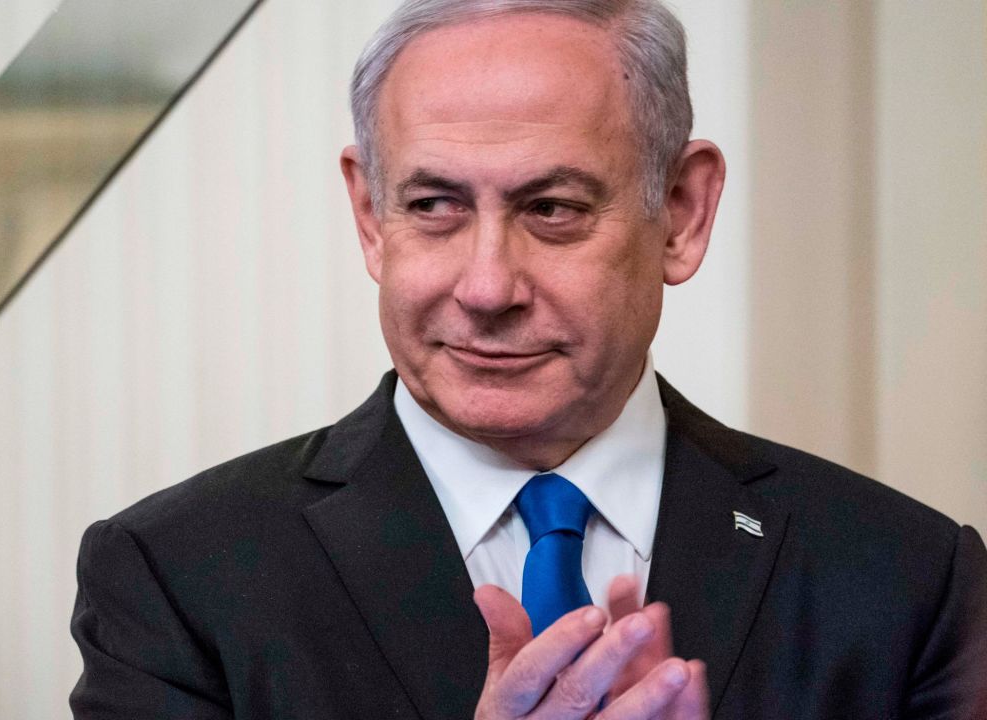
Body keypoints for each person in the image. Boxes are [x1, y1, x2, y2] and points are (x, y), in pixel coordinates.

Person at [69, 1, 987, 718]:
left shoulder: (907, 578)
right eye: (433, 205)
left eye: (553, 208)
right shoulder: (178, 576)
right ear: (368, 217)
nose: (486, 286)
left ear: (683, 212)